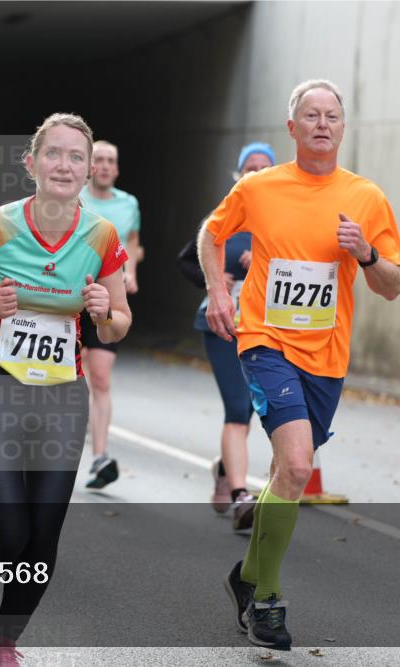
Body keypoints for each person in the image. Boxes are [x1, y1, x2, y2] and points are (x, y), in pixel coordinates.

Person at [201, 80, 400, 650]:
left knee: (284, 476)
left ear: (343, 127)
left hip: (327, 356)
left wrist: (366, 253)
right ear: (292, 128)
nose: (322, 124)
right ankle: (266, 601)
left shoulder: (366, 197)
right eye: (310, 115)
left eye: (331, 116)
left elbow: (392, 284)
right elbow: (211, 235)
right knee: (295, 466)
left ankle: (245, 577)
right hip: (265, 342)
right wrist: (218, 292)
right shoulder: (259, 187)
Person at [0, 114, 131, 666]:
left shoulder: (102, 236)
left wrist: (103, 312)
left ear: (88, 170)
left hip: (61, 394)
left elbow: (119, 324)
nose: (65, 165)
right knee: (7, 528)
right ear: (32, 163)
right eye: (54, 154)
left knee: (42, 535)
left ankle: (5, 642)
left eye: (76, 157)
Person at [179, 142, 276, 529]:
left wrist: (268, 263)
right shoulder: (225, 216)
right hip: (223, 325)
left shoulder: (284, 219)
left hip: (267, 330)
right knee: (237, 408)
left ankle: (224, 469)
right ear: (238, 174)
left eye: (264, 167)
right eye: (250, 167)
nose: (256, 172)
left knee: (252, 409)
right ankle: (240, 496)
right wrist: (216, 279)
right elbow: (187, 260)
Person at [77, 140, 143, 489]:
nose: (104, 165)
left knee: (100, 377)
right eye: (98, 160)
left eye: (110, 161)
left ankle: (99, 457)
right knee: (72, 374)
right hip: (70, 296)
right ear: (90, 167)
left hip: (108, 297)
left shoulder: (128, 203)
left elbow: (132, 241)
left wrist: (130, 271)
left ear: (116, 169)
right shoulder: (75, 198)